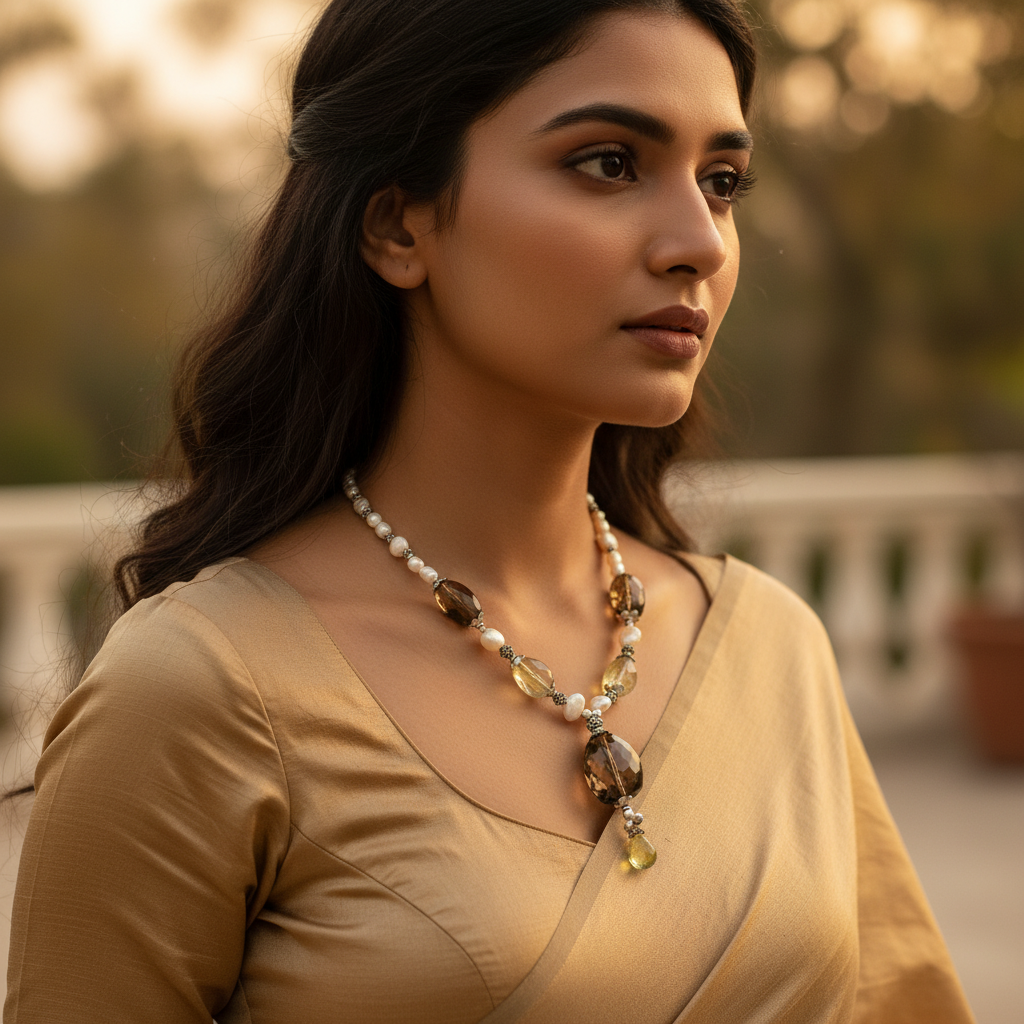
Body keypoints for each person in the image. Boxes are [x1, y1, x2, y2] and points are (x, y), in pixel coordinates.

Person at [4, 0, 975, 1021]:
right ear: (396, 223)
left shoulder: (771, 648)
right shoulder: (203, 691)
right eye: (607, 162)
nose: (700, 241)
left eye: (721, 181)